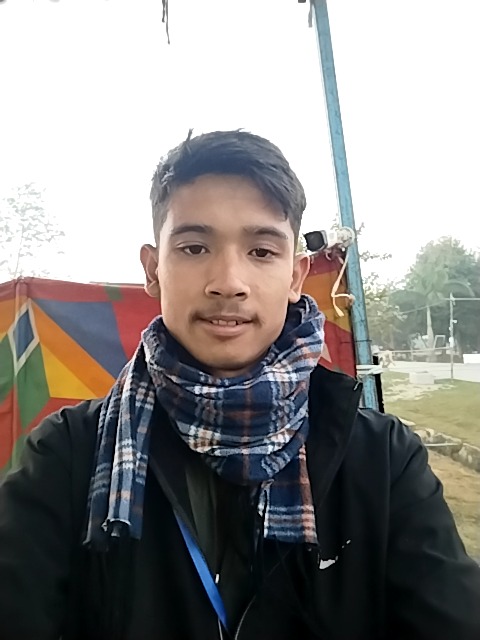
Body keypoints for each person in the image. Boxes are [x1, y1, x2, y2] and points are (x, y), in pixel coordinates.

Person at [0, 130, 479, 640]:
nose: (228, 281)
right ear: (153, 270)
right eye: (194, 247)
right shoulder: (67, 456)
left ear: (295, 277)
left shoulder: (382, 460)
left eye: (261, 251)